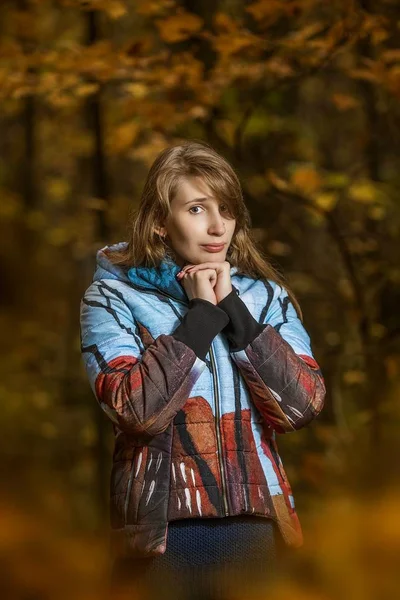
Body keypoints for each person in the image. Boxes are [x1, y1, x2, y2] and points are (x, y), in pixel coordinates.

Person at [79, 140, 326, 600]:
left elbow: (302, 405)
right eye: (196, 208)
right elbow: (134, 408)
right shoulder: (112, 297)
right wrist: (199, 317)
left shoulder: (266, 298)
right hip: (160, 539)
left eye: (227, 209)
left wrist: (232, 307)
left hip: (256, 531)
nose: (218, 227)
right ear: (158, 222)